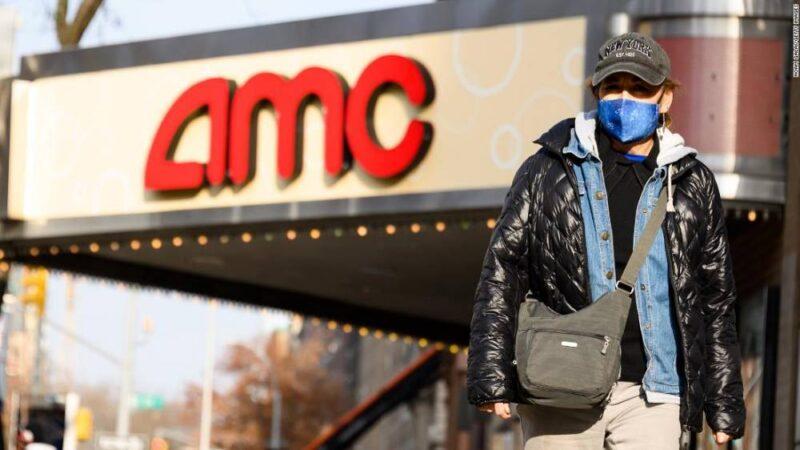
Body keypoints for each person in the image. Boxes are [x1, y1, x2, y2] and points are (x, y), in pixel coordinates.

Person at [466, 31, 745, 449]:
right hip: (560, 383)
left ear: (665, 98)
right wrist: (491, 374)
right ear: (596, 91)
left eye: (640, 88)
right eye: (614, 86)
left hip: (654, 392)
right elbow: (502, 272)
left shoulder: (691, 181)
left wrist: (725, 402)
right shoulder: (548, 169)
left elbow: (715, 297)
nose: (625, 98)